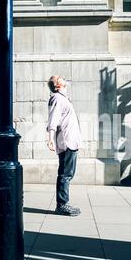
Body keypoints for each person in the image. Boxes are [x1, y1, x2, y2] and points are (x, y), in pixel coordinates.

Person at [46, 75, 82, 216]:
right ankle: (62, 204)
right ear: (57, 86)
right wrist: (50, 139)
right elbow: (52, 120)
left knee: (68, 174)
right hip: (67, 141)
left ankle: (63, 203)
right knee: (65, 174)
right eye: (59, 78)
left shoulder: (63, 98)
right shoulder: (57, 98)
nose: (63, 77)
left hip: (71, 141)